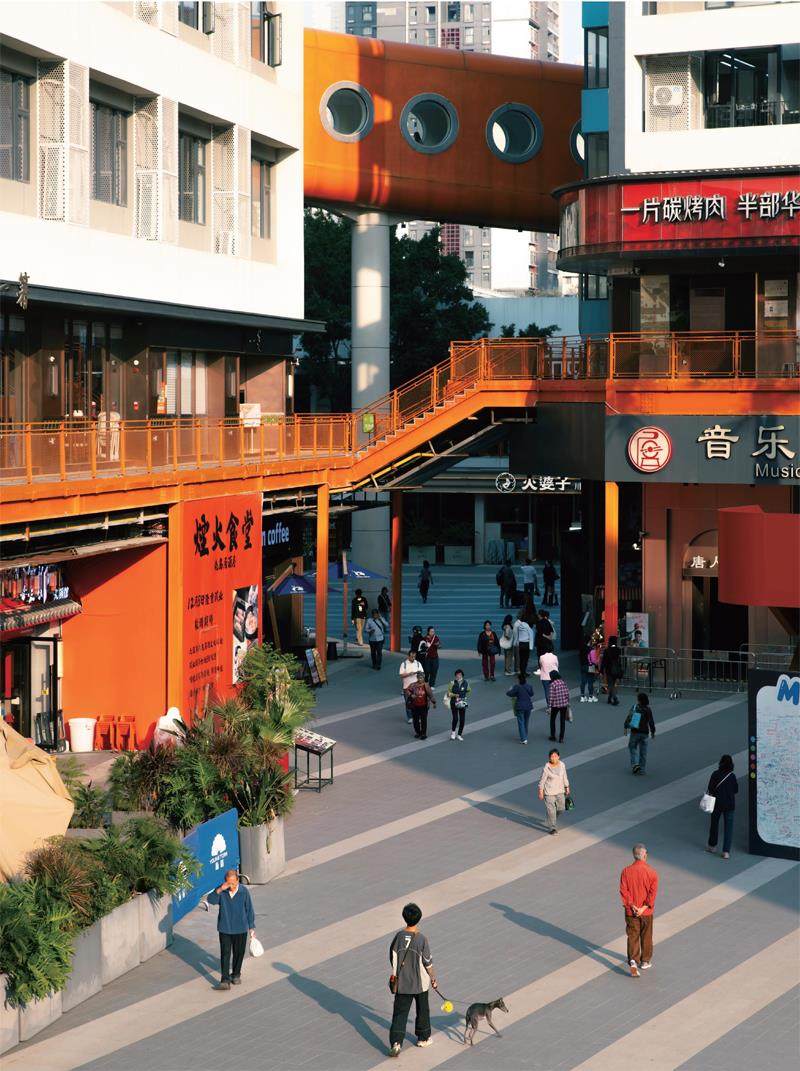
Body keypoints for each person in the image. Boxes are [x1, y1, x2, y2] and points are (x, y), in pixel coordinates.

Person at [388, 902, 437, 1056]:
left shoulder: (399, 937)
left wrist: (397, 973)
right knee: (423, 1010)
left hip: (402, 983)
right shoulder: (422, 939)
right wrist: (433, 978)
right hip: (420, 983)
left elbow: (393, 957)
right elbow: (428, 962)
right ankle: (423, 1038)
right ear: (419, 918)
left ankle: (396, 1043)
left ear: (404, 917)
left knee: (400, 1013)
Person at [207, 869, 256, 990]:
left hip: (240, 928)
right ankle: (225, 980)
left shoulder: (243, 892)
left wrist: (251, 927)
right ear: (225, 882)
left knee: (239, 953)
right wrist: (220, 889)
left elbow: (249, 909)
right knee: (225, 953)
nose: (231, 886)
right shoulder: (222, 891)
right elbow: (211, 900)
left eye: (233, 883)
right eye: (229, 883)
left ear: (238, 881)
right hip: (225, 928)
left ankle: (236, 975)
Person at [619, 844, 659, 977]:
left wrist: (632, 905)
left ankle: (633, 960)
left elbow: (624, 891)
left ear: (634, 855)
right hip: (646, 912)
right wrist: (643, 907)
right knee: (646, 936)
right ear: (645, 855)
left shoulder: (626, 871)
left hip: (631, 912)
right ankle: (645, 961)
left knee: (632, 935)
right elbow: (652, 894)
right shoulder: (652, 873)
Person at [705, 754, 738, 859]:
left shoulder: (715, 774)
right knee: (728, 828)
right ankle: (726, 852)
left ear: (721, 763)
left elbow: (710, 788)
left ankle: (712, 846)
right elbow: (736, 790)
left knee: (714, 825)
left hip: (716, 804)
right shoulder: (732, 776)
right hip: (729, 805)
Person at [538, 748, 570, 834]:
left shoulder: (562, 765)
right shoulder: (546, 768)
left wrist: (567, 787)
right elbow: (542, 781)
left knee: (561, 809)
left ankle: (551, 817)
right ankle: (552, 828)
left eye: (555, 756)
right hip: (549, 792)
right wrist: (541, 792)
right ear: (549, 758)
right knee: (551, 811)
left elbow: (564, 776)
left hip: (560, 791)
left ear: (559, 757)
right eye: (552, 756)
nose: (553, 758)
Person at [624, 692, 656, 775]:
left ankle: (635, 764)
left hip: (635, 731)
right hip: (645, 733)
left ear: (639, 700)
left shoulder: (635, 707)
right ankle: (642, 769)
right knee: (643, 751)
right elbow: (651, 722)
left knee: (632, 747)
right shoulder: (648, 709)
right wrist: (653, 732)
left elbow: (629, 717)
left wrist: (625, 726)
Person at [507, 672, 534, 744]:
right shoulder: (529, 686)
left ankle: (523, 739)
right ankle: (525, 735)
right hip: (528, 706)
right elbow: (531, 694)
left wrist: (510, 689)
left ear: (518, 680)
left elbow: (509, 694)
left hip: (520, 706)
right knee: (526, 721)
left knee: (521, 722)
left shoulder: (517, 687)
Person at [408, 671, 436, 739]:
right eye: (419, 678)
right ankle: (418, 732)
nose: (420, 679)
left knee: (423, 720)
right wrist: (411, 695)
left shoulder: (426, 685)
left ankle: (423, 734)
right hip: (415, 706)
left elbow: (430, 695)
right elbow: (407, 690)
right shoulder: (413, 685)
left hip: (424, 706)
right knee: (415, 721)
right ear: (417, 678)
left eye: (422, 678)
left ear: (423, 678)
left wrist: (434, 702)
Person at [399, 649, 424, 723]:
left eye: (414, 657)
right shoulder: (404, 664)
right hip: (407, 687)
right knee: (409, 703)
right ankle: (410, 717)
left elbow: (422, 674)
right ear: (408, 656)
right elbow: (401, 675)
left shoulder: (418, 663)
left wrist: (419, 673)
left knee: (418, 703)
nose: (413, 658)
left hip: (417, 687)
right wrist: (409, 674)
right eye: (412, 657)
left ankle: (418, 717)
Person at [446, 669, 471, 741]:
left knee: (462, 719)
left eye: (459, 675)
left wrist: (464, 696)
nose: (458, 676)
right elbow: (448, 694)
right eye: (457, 675)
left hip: (462, 702)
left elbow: (469, 690)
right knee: (455, 718)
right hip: (454, 702)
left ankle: (459, 734)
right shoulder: (452, 683)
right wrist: (454, 695)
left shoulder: (466, 683)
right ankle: (453, 733)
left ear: (462, 675)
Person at [547, 670, 571, 744]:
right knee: (562, 721)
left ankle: (553, 736)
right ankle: (561, 738)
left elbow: (551, 696)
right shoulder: (563, 682)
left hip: (555, 705)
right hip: (564, 704)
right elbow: (567, 693)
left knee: (552, 719)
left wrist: (549, 706)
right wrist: (567, 701)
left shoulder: (552, 684)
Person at [601, 635, 623, 706]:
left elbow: (604, 661)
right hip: (616, 669)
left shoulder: (607, 650)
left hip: (609, 669)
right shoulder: (618, 650)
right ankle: (609, 698)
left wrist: (601, 670)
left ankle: (615, 698)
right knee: (613, 684)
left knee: (610, 685)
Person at [579, 635, 598, 702]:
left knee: (583, 681)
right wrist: (597, 662)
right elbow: (593, 660)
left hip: (582, 666)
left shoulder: (581, 649)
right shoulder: (591, 649)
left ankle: (582, 697)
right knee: (590, 681)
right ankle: (590, 696)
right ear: (589, 641)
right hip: (590, 666)